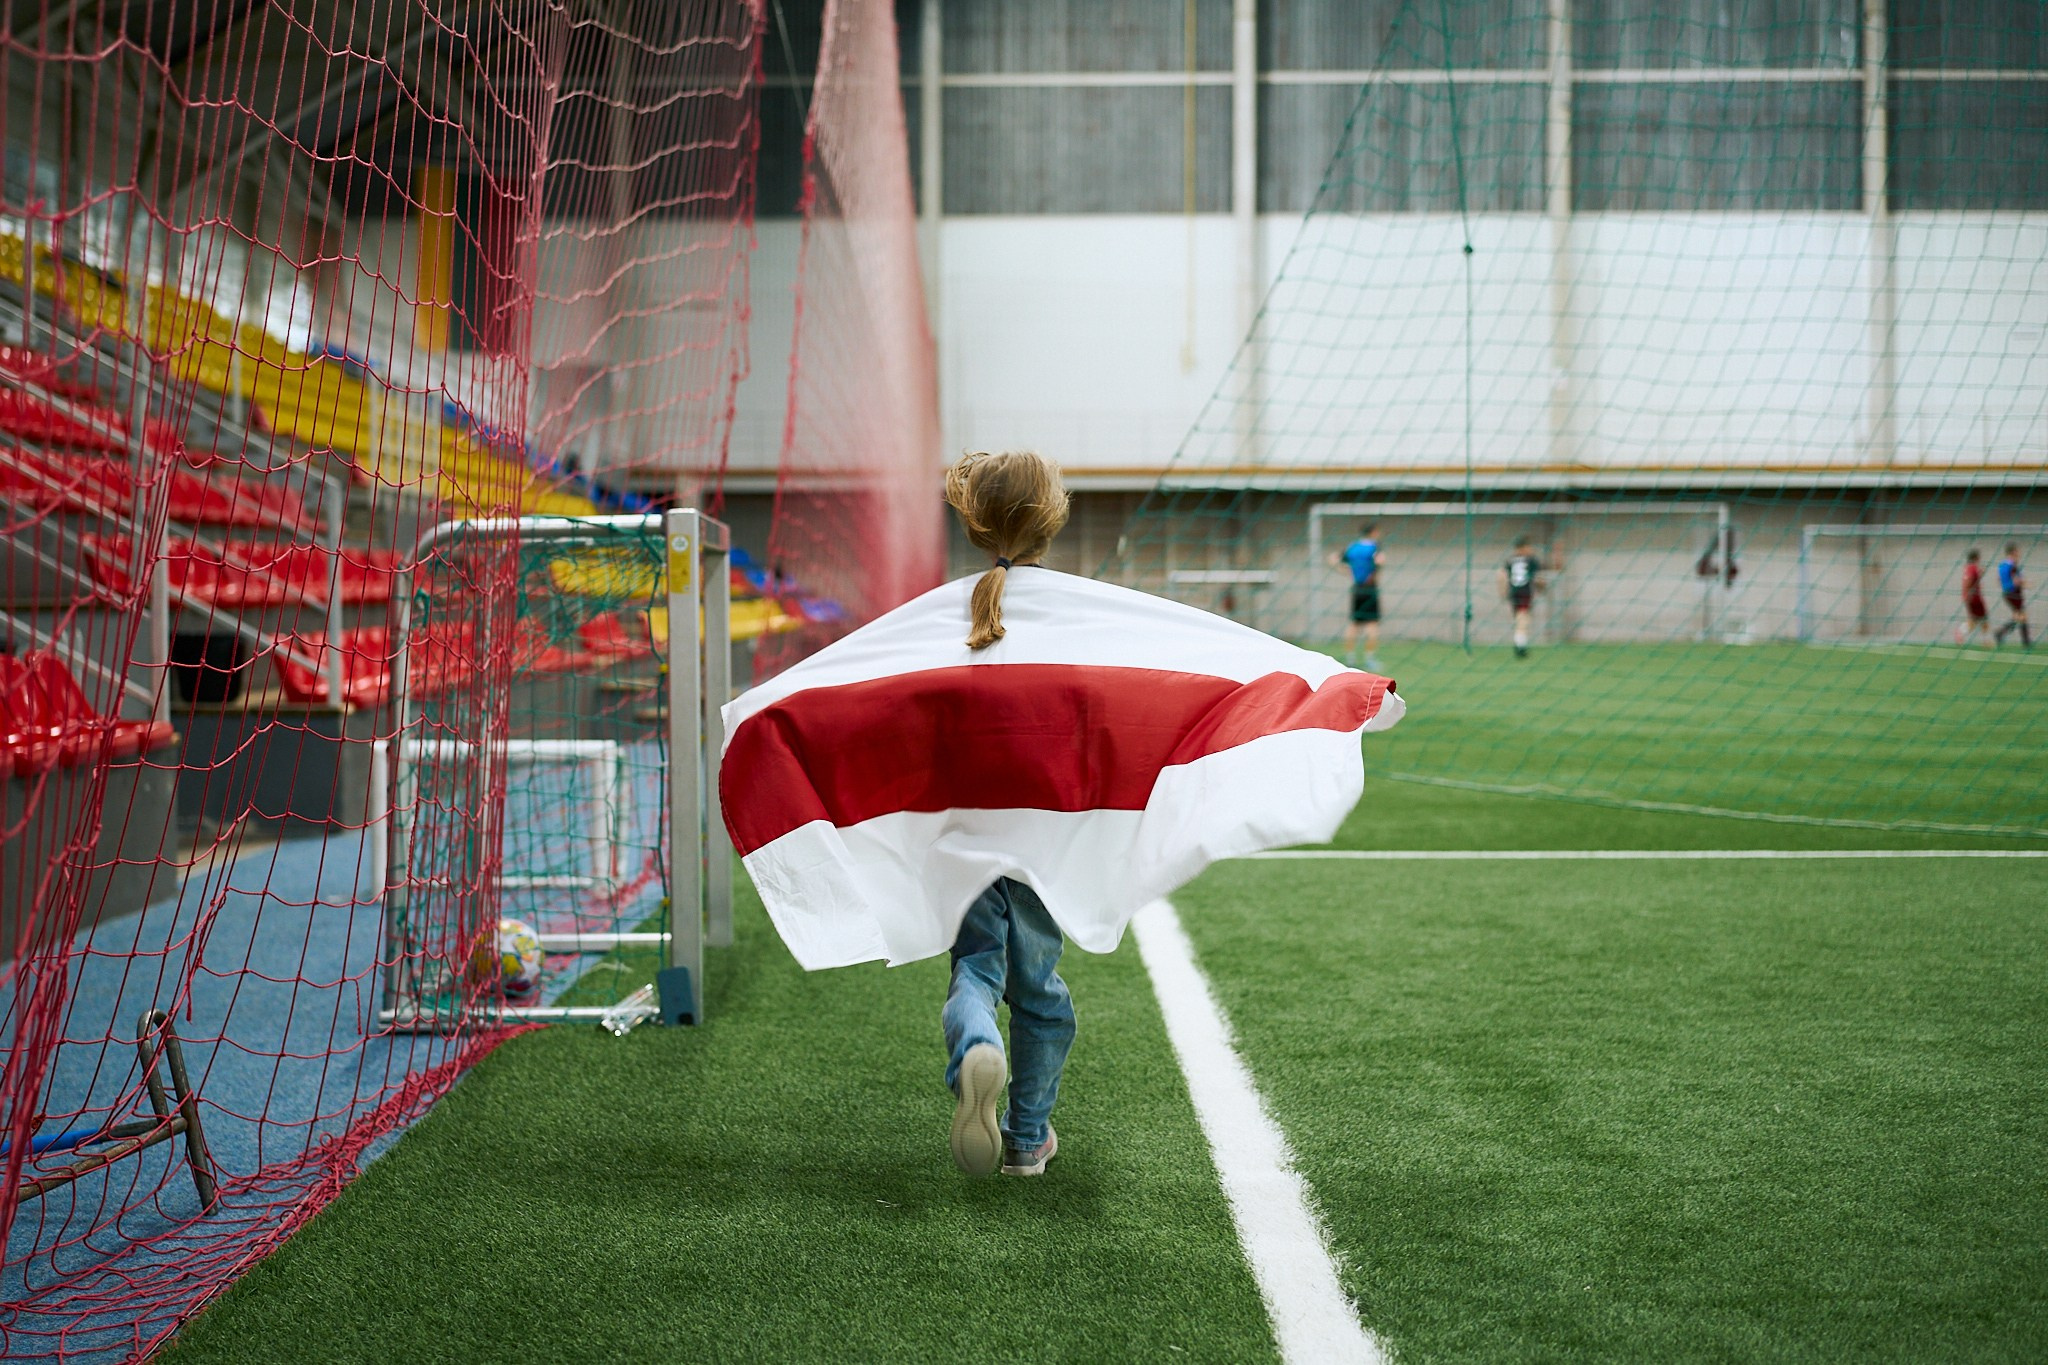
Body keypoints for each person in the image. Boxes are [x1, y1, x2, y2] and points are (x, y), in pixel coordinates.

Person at [715, 451, 1404, 1182]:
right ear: (1053, 518)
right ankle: (1025, 1137)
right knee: (1041, 994)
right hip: (1049, 829)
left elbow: (846, 681)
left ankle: (975, 1036)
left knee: (976, 966)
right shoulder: (1092, 615)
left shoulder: (933, 619)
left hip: (966, 828)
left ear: (975, 522)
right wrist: (1335, 685)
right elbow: (1199, 660)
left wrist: (751, 716)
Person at [1327, 522, 1384, 671]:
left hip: (1357, 588)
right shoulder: (1374, 547)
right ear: (1374, 532)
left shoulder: (1353, 547)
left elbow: (1333, 558)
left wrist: (1348, 572)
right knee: (1372, 624)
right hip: (1370, 588)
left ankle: (1350, 657)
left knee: (1354, 624)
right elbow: (1380, 561)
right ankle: (1370, 659)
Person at [1500, 535, 1555, 658]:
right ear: (1522, 548)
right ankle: (1520, 645)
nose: (1531, 549)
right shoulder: (1531, 560)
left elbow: (1501, 575)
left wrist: (1502, 592)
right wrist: (1542, 587)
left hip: (1513, 593)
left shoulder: (1510, 560)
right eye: (1529, 547)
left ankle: (1520, 642)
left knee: (1520, 618)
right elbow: (1538, 578)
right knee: (1523, 618)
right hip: (1525, 592)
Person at [1994, 543, 2030, 648]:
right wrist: (2027, 584)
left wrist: (2006, 586)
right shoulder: (2012, 566)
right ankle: (2026, 642)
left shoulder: (2002, 565)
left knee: (2018, 616)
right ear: (2013, 552)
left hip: (2007, 593)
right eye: (2017, 551)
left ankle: (2000, 634)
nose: (2019, 553)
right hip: (2014, 593)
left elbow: (1998, 580)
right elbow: (2017, 581)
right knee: (2022, 616)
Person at [1959, 550, 1990, 646]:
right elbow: (1970, 580)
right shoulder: (1973, 567)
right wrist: (1969, 593)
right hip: (1974, 597)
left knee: (1974, 620)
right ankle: (1985, 641)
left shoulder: (1967, 567)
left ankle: (1961, 632)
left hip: (1969, 597)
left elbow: (1972, 579)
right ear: (1976, 558)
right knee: (1984, 618)